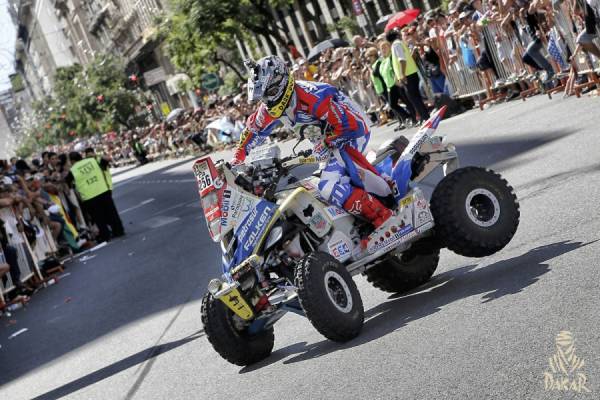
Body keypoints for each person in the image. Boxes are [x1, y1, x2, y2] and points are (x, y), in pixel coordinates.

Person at [232, 56, 397, 229]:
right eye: (263, 97)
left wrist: (327, 143)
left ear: (282, 81)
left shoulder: (311, 96)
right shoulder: (269, 107)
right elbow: (253, 131)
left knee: (328, 186)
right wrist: (237, 159)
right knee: (313, 187)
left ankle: (384, 218)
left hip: (351, 134)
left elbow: (352, 126)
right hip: (330, 141)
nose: (268, 101)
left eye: (270, 92)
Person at [67, 152, 124, 242]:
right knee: (112, 213)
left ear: (72, 160)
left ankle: (106, 236)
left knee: (98, 218)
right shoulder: (93, 161)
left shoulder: (72, 170)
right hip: (103, 190)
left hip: (89, 197)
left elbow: (67, 182)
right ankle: (119, 231)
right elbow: (106, 162)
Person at [387, 30, 431, 124]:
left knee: (413, 97)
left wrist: (402, 74)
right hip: (410, 73)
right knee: (415, 97)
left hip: (408, 74)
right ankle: (425, 116)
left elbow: (402, 60)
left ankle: (425, 117)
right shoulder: (399, 43)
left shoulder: (396, 45)